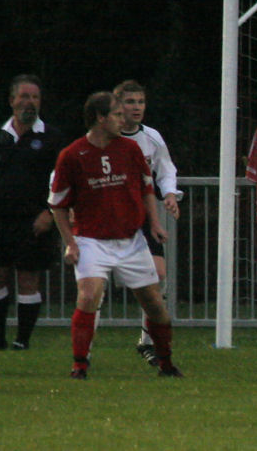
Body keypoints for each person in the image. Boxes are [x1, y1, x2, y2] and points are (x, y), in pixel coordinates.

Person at [48, 91, 182, 379]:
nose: (124, 120)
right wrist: (70, 242)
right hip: (91, 240)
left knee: (155, 304)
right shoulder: (73, 155)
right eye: (118, 115)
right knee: (89, 294)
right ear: (100, 118)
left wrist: (155, 224)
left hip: (131, 240)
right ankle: (79, 366)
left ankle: (166, 364)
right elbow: (57, 205)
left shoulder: (130, 150)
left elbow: (147, 187)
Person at [0, 74, 63, 350]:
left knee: (28, 279)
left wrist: (49, 213)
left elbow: (64, 182)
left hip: (34, 222)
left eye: (35, 97)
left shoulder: (52, 138)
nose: (29, 102)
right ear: (11, 101)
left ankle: (22, 340)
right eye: (24, 96)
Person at [113, 79, 183, 367]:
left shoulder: (152, 137)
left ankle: (147, 341)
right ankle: (82, 355)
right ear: (118, 105)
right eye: (130, 102)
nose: (136, 107)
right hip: (109, 217)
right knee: (94, 287)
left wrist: (169, 194)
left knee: (157, 275)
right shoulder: (107, 136)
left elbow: (166, 170)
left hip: (143, 217)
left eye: (140, 102)